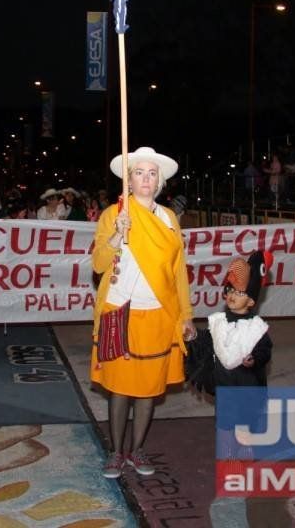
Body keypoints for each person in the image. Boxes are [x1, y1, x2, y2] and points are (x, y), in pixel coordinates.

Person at [91, 146, 196, 479]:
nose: (146, 179)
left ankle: (137, 449)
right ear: (129, 180)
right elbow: (98, 265)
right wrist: (116, 236)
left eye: (152, 173)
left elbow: (178, 272)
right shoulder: (113, 214)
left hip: (157, 314)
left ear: (160, 181)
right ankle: (115, 452)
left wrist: (186, 315)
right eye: (139, 173)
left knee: (149, 388)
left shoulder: (168, 219)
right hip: (119, 310)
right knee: (120, 388)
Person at [185, 251, 275, 456]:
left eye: (240, 293)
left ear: (251, 302)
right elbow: (206, 343)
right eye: (231, 290)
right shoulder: (219, 322)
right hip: (225, 385)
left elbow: (265, 350)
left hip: (248, 387)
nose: (233, 296)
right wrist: (192, 336)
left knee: (245, 422)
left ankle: (245, 451)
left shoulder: (256, 327)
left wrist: (255, 359)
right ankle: (226, 454)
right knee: (224, 422)